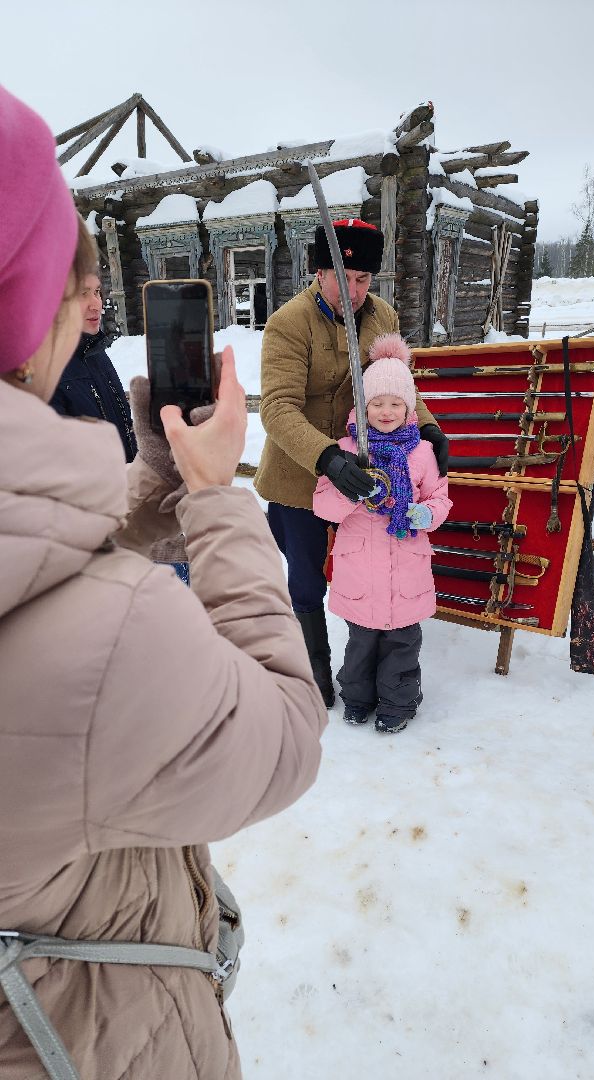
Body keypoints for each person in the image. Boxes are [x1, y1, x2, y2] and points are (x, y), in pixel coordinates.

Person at [0, 85, 326, 1080]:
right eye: (66, 279)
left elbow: (38, 556)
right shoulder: (109, 648)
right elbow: (282, 734)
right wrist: (210, 492)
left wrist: (143, 487)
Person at [254, 219, 449, 708]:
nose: (353, 291)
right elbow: (277, 407)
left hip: (371, 472)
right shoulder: (288, 323)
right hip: (301, 474)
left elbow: (396, 381)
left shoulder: (382, 315)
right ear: (319, 272)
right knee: (306, 576)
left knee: (365, 566)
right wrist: (325, 457)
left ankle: (369, 662)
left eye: (363, 280)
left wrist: (427, 426)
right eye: (342, 278)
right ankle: (312, 665)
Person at [313, 333, 452, 733]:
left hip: (407, 568)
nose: (386, 411)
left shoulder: (423, 453)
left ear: (409, 408)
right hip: (360, 571)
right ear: (363, 406)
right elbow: (323, 505)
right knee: (361, 644)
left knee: (402, 646)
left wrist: (425, 514)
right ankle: (357, 699)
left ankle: (398, 704)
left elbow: (440, 497)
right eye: (377, 403)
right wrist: (353, 494)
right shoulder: (348, 453)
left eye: (395, 403)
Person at [50, 271, 137, 461]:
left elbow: (120, 427)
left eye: (97, 291)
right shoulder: (43, 371)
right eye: (83, 294)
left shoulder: (94, 351)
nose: (97, 304)